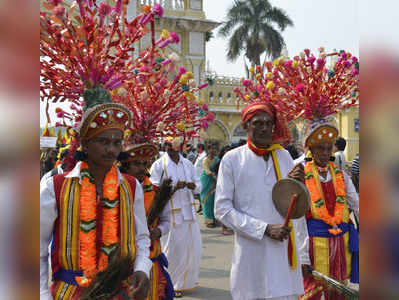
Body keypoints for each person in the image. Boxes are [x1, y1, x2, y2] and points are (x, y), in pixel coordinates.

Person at [40, 88, 152, 300]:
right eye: (103, 142)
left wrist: (142, 269)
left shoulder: (131, 186)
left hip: (119, 292)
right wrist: (42, 295)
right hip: (71, 292)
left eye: (117, 143)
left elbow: (142, 238)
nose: (111, 150)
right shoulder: (54, 187)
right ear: (85, 144)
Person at [214, 102, 309, 300]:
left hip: (283, 256)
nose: (264, 128)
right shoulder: (232, 159)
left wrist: (299, 184)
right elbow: (222, 209)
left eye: (268, 123)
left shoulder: (283, 156)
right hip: (251, 254)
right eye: (257, 123)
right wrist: (264, 229)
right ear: (245, 126)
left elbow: (295, 206)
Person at [300, 121, 359, 300]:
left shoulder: (341, 176)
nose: (325, 153)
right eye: (320, 149)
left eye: (328, 148)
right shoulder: (301, 174)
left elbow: (356, 204)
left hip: (340, 244)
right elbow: (297, 220)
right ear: (311, 148)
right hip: (313, 245)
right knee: (312, 292)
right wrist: (302, 256)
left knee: (338, 290)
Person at [121, 143, 175, 300]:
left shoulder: (157, 192)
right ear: (125, 166)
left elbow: (166, 221)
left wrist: (157, 231)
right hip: (123, 262)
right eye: (136, 163)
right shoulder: (115, 191)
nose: (141, 168)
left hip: (151, 259)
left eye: (144, 164)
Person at [150, 138, 202, 298]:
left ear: (179, 148)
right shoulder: (159, 165)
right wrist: (173, 188)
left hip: (188, 212)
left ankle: (185, 282)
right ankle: (170, 283)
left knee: (193, 248)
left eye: (174, 148)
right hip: (169, 214)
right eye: (169, 148)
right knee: (172, 250)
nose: (171, 151)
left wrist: (193, 186)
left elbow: (198, 183)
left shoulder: (187, 164)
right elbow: (154, 189)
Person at [200, 140, 220, 228]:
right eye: (212, 149)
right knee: (207, 200)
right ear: (208, 150)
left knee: (214, 200)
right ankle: (208, 220)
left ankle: (215, 218)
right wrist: (215, 178)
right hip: (207, 180)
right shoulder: (205, 160)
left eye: (215, 149)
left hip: (216, 180)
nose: (214, 150)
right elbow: (207, 171)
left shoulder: (217, 160)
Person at [193, 143, 206, 213]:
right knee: (198, 193)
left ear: (200, 148)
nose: (196, 149)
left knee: (201, 193)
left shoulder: (204, 155)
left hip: (201, 176)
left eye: (197, 148)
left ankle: (203, 207)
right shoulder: (199, 155)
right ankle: (201, 206)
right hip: (197, 176)